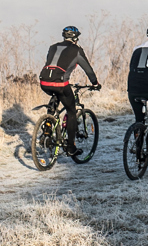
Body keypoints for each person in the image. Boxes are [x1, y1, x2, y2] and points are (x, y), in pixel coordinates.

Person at [38, 26, 101, 155]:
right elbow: (88, 69)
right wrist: (95, 83)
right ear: (76, 38)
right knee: (71, 111)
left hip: (44, 82)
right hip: (60, 83)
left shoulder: (52, 47)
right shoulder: (77, 50)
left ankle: (48, 127)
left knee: (55, 95)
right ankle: (71, 147)